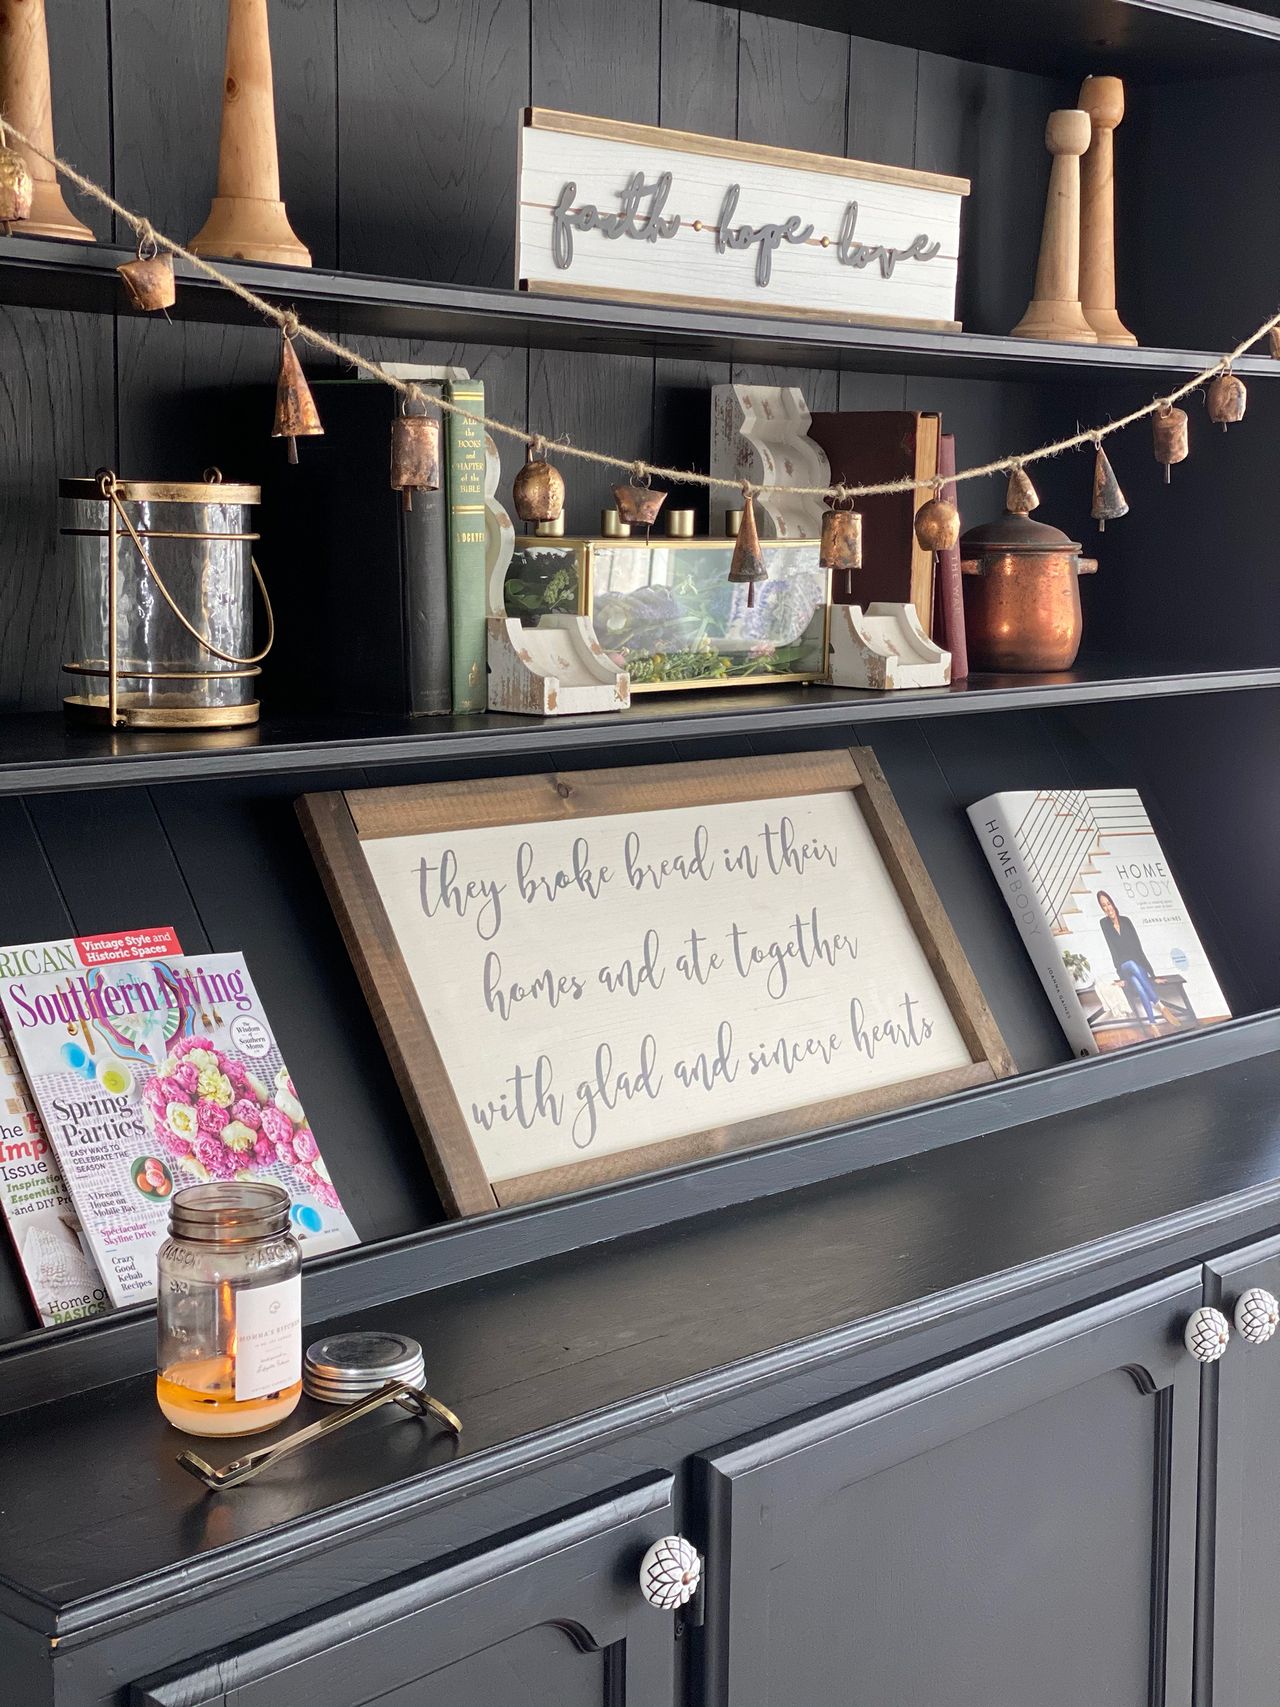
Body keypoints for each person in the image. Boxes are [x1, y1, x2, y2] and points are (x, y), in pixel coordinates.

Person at [1097, 890, 1179, 1037]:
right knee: (1132, 966)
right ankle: (1160, 1005)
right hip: (1124, 966)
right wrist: (1121, 976)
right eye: (1103, 906)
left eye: (1108, 904)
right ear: (1102, 908)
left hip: (1137, 967)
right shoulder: (1104, 924)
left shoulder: (1126, 921)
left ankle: (1153, 1025)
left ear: (1113, 903)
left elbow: (1138, 948)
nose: (1107, 908)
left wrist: (1152, 975)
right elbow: (1112, 951)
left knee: (1140, 986)